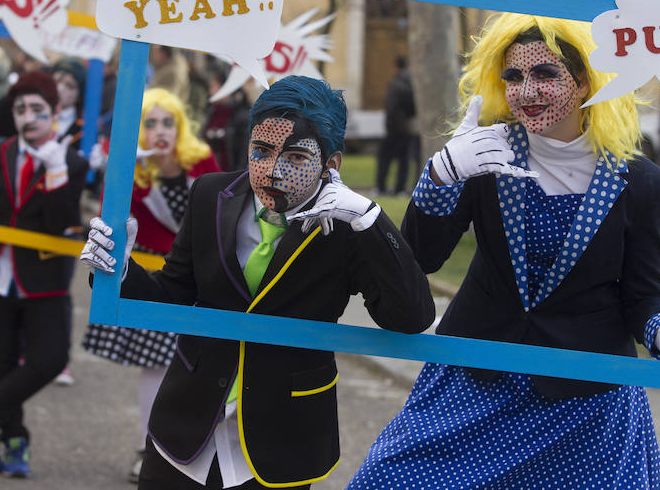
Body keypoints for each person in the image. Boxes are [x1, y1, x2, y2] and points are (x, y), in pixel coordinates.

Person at [347, 13, 660, 490]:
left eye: (545, 74)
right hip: (477, 378)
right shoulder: (485, 152)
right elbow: (419, 259)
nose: (526, 90)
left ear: (584, 82)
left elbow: (641, 295)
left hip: (584, 400)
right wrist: (442, 175)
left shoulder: (640, 181)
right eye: (513, 76)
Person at [80, 75, 435, 489]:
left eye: (297, 158)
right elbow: (174, 293)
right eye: (261, 151)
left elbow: (411, 316)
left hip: (281, 435)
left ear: (331, 164)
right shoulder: (211, 194)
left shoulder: (347, 228)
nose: (272, 171)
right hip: (188, 423)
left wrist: (369, 220)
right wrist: (120, 271)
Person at [0, 71, 88, 478]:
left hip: (42, 277)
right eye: (20, 109)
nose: (28, 117)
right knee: (1, 361)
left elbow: (58, 224)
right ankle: (14, 442)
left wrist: (58, 173)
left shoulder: (73, 162)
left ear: (56, 112)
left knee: (50, 357)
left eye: (37, 110)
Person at [82, 87, 220, 484]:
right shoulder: (136, 172)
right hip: (157, 278)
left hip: (202, 281)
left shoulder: (203, 163)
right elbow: (115, 219)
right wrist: (118, 170)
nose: (160, 131)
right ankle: (150, 446)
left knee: (201, 363)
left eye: (167, 122)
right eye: (150, 123)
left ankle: (197, 447)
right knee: (156, 365)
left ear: (180, 127)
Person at [375, 55, 416, 195]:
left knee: (384, 159)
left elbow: (391, 107)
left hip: (394, 128)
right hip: (406, 127)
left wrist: (389, 124)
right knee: (404, 160)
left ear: (396, 67)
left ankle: (381, 187)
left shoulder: (395, 83)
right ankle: (400, 188)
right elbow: (413, 107)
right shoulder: (411, 83)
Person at [202, 69, 250, 172]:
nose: (210, 91)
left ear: (227, 88)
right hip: (209, 176)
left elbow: (244, 155)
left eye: (214, 86)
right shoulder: (211, 111)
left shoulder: (242, 116)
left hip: (230, 178)